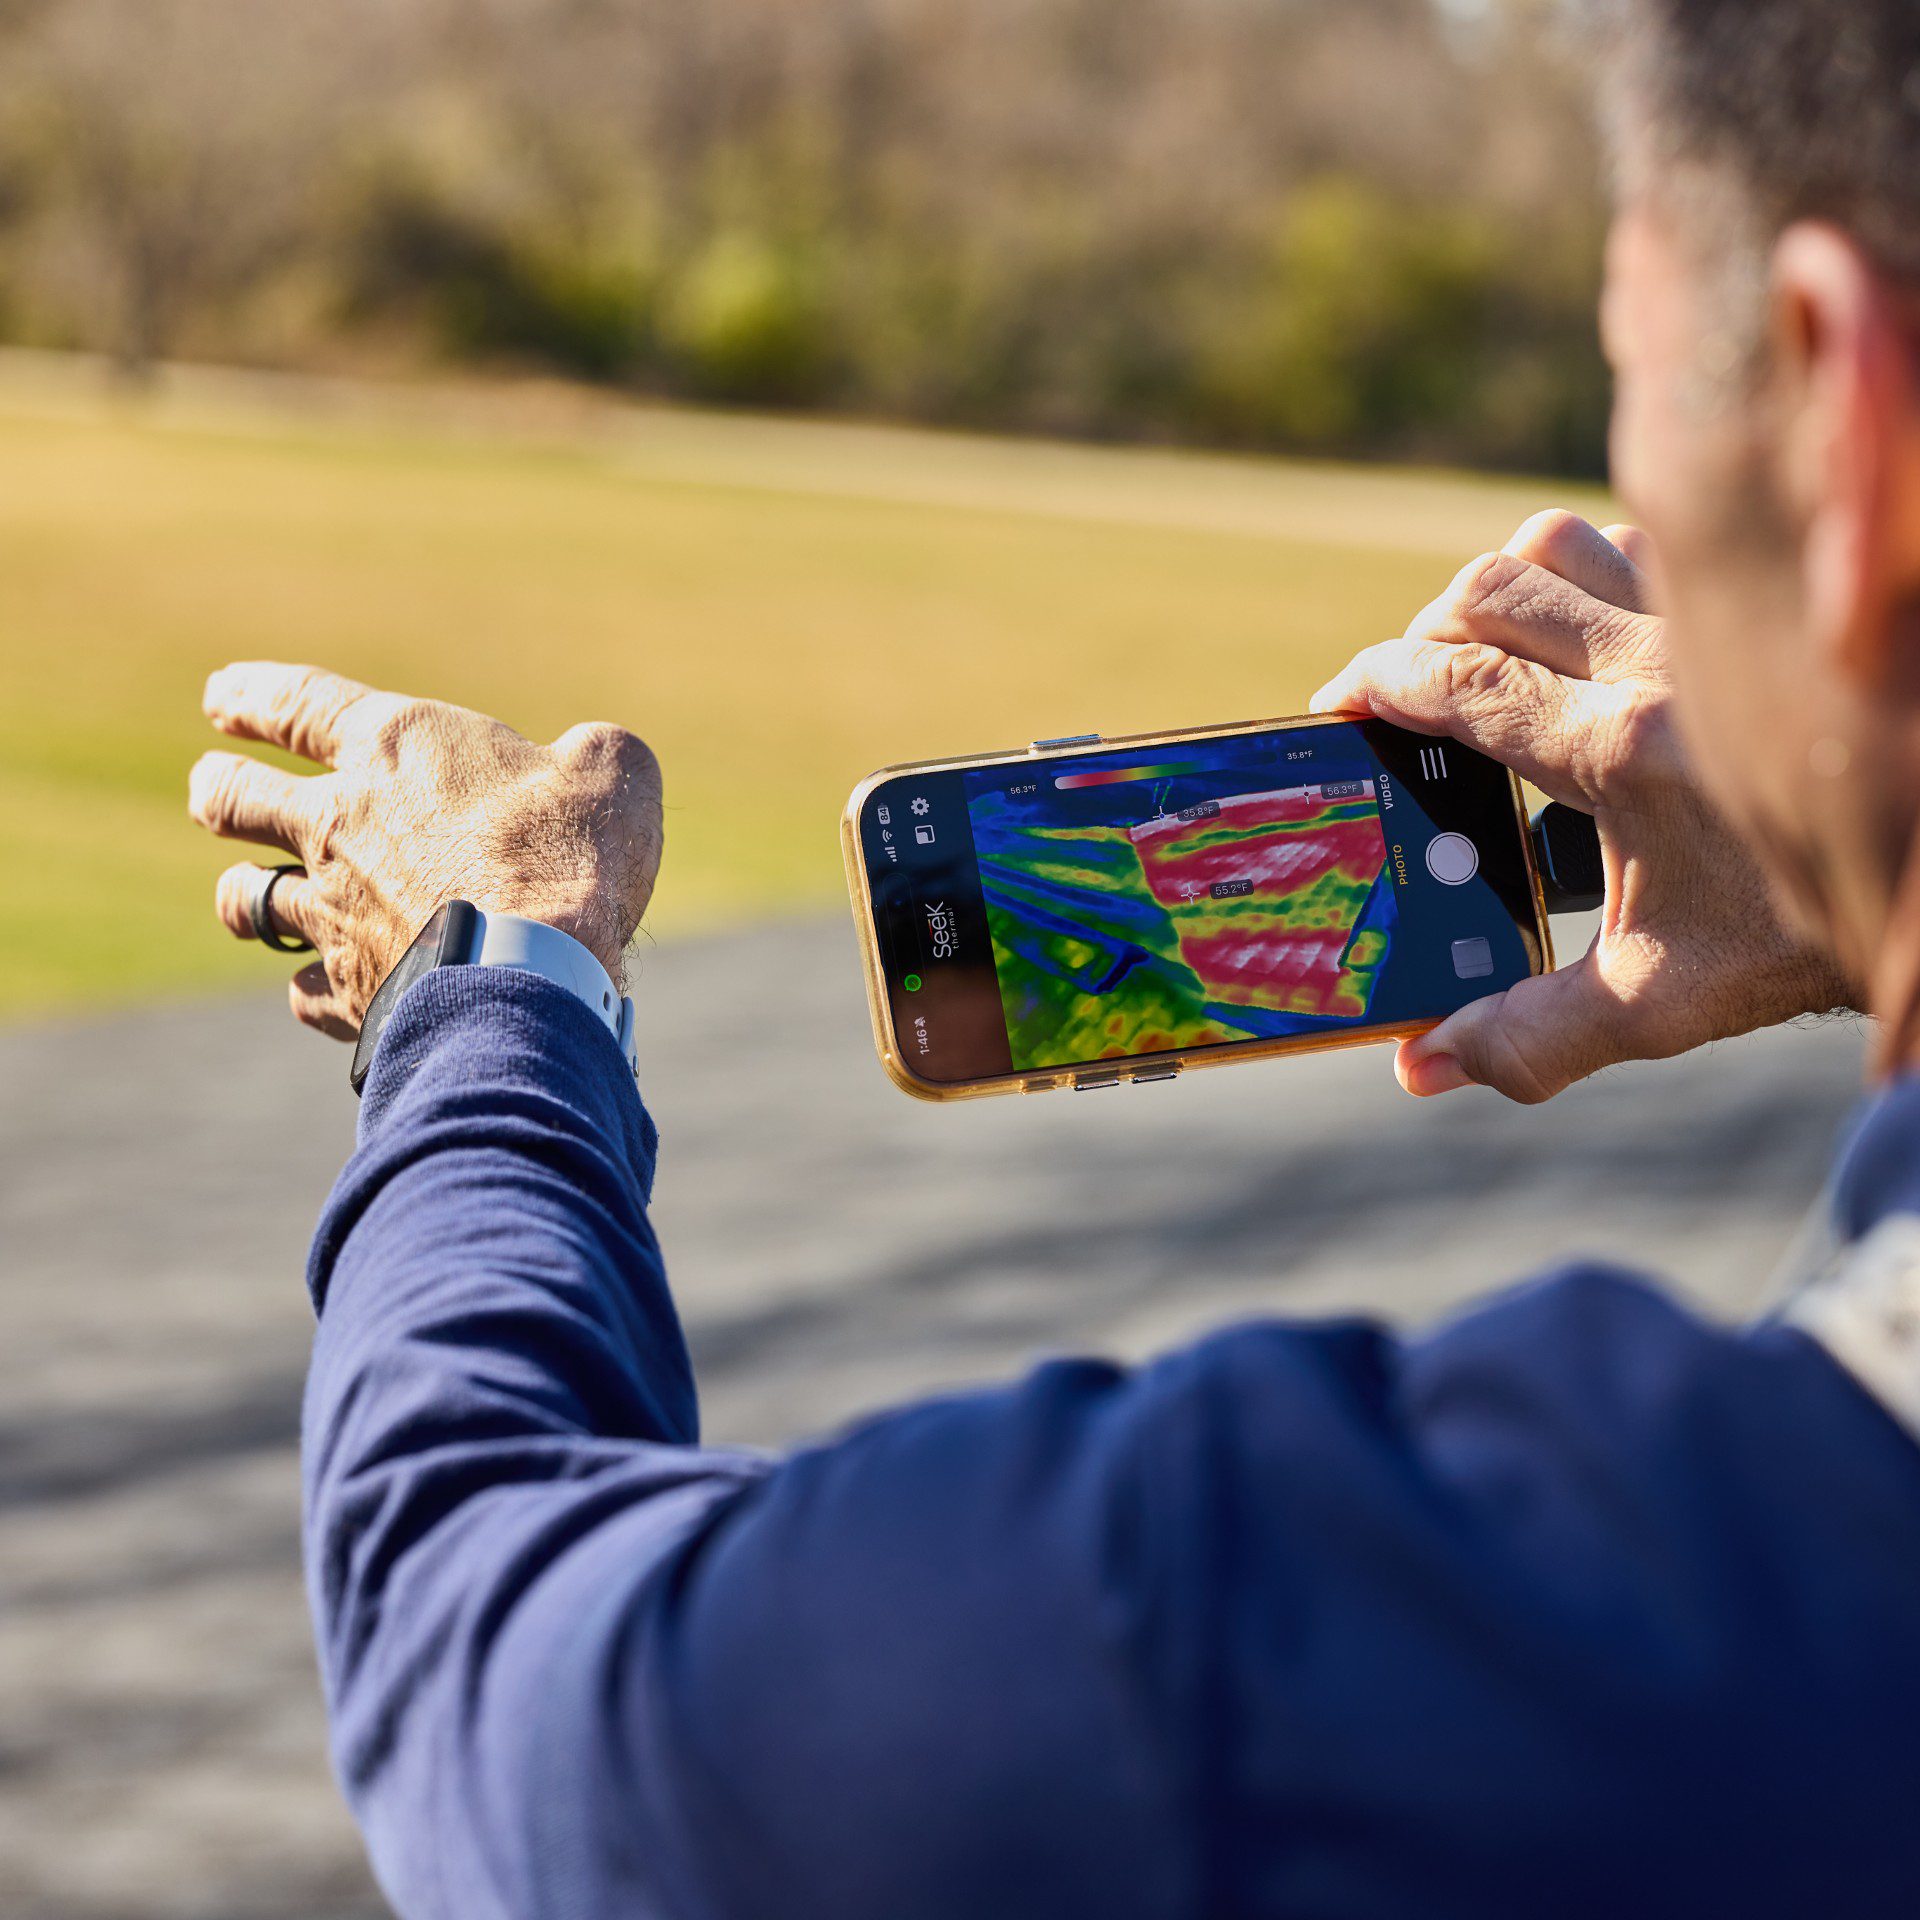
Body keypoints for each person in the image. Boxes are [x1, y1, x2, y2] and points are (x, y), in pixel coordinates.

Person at [184, 2, 1920, 1914]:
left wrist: (496, 986)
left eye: (1637, 389)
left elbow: (498, 1673)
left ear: (1842, 402)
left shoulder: (1382, 1617)